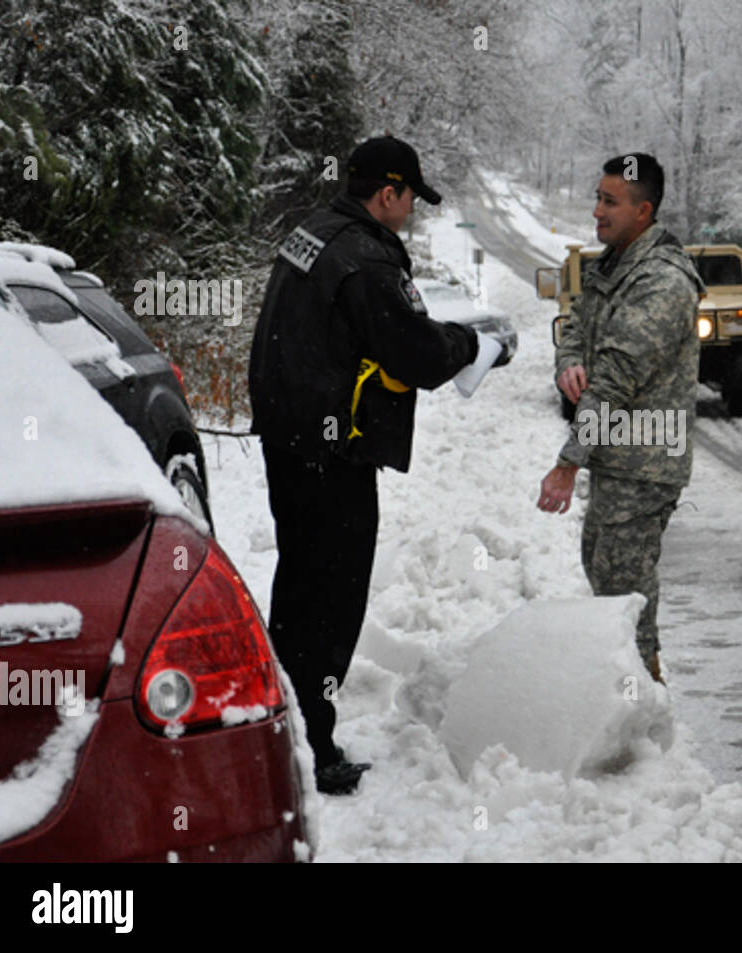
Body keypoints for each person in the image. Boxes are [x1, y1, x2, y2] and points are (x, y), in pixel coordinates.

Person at [249, 136, 480, 794]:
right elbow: (420, 355)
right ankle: (310, 747)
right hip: (332, 453)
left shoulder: (311, 233)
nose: (411, 211)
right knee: (331, 598)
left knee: (298, 587)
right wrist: (470, 342)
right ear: (387, 192)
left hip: (288, 440)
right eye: (409, 198)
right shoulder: (367, 260)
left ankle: (279, 725)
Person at [536, 153, 704, 683]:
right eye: (597, 198)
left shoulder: (661, 282)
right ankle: (626, 698)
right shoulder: (611, 264)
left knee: (625, 596)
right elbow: (576, 327)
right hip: (619, 460)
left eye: (610, 202)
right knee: (606, 578)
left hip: (647, 464)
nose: (597, 212)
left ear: (644, 210)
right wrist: (568, 363)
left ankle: (643, 705)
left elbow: (613, 384)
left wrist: (568, 464)